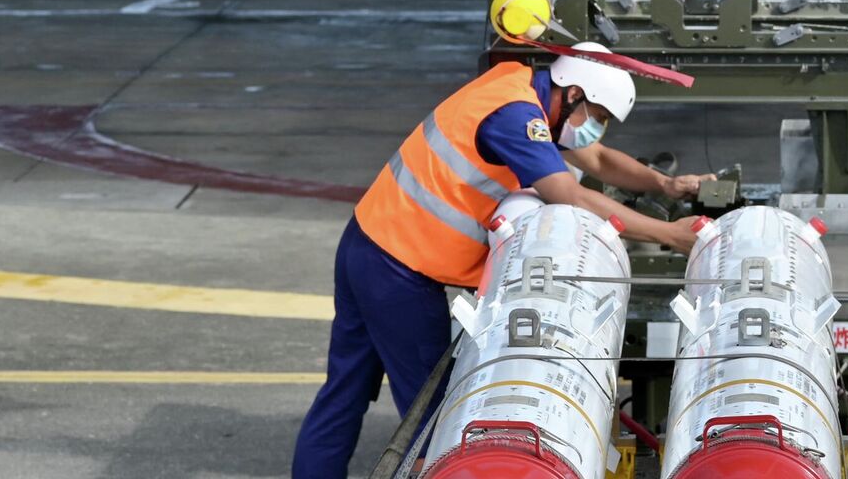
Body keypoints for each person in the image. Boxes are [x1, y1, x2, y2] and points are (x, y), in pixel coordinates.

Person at [291, 43, 713, 478]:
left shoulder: (519, 91)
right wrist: (670, 234)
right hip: (399, 271)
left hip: (367, 243)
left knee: (344, 393)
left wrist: (665, 184)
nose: (596, 130)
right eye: (598, 117)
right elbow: (567, 195)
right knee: (431, 416)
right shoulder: (515, 117)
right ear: (572, 95)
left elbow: (599, 159)